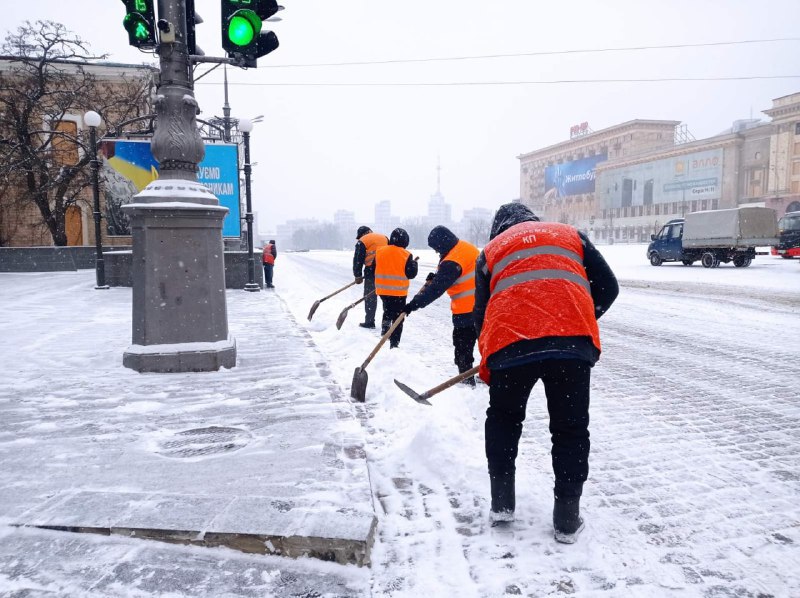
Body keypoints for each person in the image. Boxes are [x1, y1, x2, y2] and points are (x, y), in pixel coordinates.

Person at [474, 202, 618, 543]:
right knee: (569, 429)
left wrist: (490, 353)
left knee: (504, 420)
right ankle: (567, 520)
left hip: (511, 345)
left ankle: (502, 505)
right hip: (570, 346)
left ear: (500, 229)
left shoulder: (491, 251)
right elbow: (608, 288)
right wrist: (573, 319)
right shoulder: (571, 236)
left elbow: (479, 315)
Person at [403, 226, 480, 385]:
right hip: (485, 306)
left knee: (462, 350)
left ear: (442, 244)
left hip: (466, 311)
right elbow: (459, 271)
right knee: (487, 346)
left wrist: (413, 305)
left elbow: (435, 290)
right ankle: (492, 376)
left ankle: (467, 384)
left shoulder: (451, 262)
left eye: (437, 249)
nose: (437, 252)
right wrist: (437, 276)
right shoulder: (466, 247)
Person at [374, 228, 418, 348]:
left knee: (387, 309)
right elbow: (411, 274)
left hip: (382, 290)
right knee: (398, 317)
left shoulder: (380, 251)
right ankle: (394, 342)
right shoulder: (406, 254)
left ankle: (385, 326)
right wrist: (414, 264)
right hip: (398, 291)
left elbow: (374, 268)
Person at [353, 226, 388, 329]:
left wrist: (358, 275)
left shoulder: (362, 240)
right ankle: (386, 323)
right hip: (386, 270)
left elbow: (358, 260)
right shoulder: (384, 237)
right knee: (386, 297)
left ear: (363, 234)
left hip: (371, 271)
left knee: (370, 297)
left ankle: (369, 322)